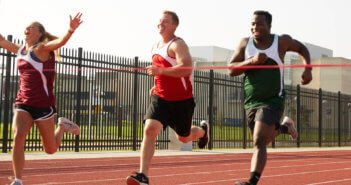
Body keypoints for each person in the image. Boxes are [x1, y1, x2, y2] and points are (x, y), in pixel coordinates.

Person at [228, 10, 312, 185]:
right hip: (251, 101)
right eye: (252, 24)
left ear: (269, 25)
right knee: (263, 139)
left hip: (273, 99)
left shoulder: (280, 42)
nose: (255, 27)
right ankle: (285, 127)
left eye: (259, 24)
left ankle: (251, 182)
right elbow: (231, 70)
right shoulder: (245, 44)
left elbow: (301, 48)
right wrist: (251, 62)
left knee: (259, 140)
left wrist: (308, 69)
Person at [126, 10, 209, 185]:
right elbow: (160, 70)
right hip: (161, 98)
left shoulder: (178, 44)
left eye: (165, 22)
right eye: (159, 22)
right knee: (149, 130)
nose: (160, 25)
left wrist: (161, 71)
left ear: (174, 25)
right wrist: (156, 85)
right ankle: (143, 176)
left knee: (183, 138)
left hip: (182, 101)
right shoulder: (155, 46)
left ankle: (203, 131)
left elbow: (186, 69)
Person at [0, 13, 83, 185]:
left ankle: (62, 126)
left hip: (43, 106)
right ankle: (18, 180)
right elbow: (1, 41)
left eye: (31, 28)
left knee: (50, 149)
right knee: (18, 138)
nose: (27, 30)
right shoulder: (20, 50)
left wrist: (70, 30)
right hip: (23, 103)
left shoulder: (42, 49)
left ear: (39, 33)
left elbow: (59, 42)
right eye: (26, 28)